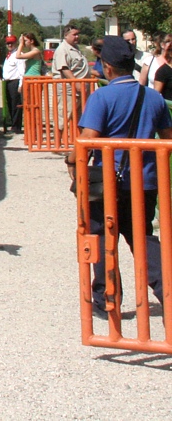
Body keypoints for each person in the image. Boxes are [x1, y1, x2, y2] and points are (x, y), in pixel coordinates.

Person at [70, 36, 172, 315]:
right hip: (147, 179)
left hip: (108, 182)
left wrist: (72, 159)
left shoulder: (101, 97)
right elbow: (167, 138)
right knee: (142, 236)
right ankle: (166, 289)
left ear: (108, 67)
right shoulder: (155, 98)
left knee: (102, 235)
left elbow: (88, 137)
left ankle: (107, 297)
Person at [1, 35, 24, 133]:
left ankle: (16, 126)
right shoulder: (9, 55)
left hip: (15, 81)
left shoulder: (18, 55)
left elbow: (22, 71)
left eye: (11, 43)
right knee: (10, 104)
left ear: (16, 43)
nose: (10, 45)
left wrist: (20, 85)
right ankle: (13, 124)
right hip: (8, 82)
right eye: (8, 43)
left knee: (16, 105)